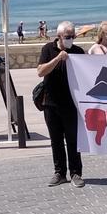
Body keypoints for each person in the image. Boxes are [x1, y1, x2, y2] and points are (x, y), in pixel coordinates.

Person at [36, 21, 85, 187]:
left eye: (73, 36)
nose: (71, 39)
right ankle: (59, 172)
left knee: (72, 140)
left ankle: (76, 172)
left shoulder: (78, 51)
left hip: (71, 103)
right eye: (67, 37)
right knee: (55, 140)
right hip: (51, 102)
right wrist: (58, 58)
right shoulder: (48, 49)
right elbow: (40, 71)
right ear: (59, 37)